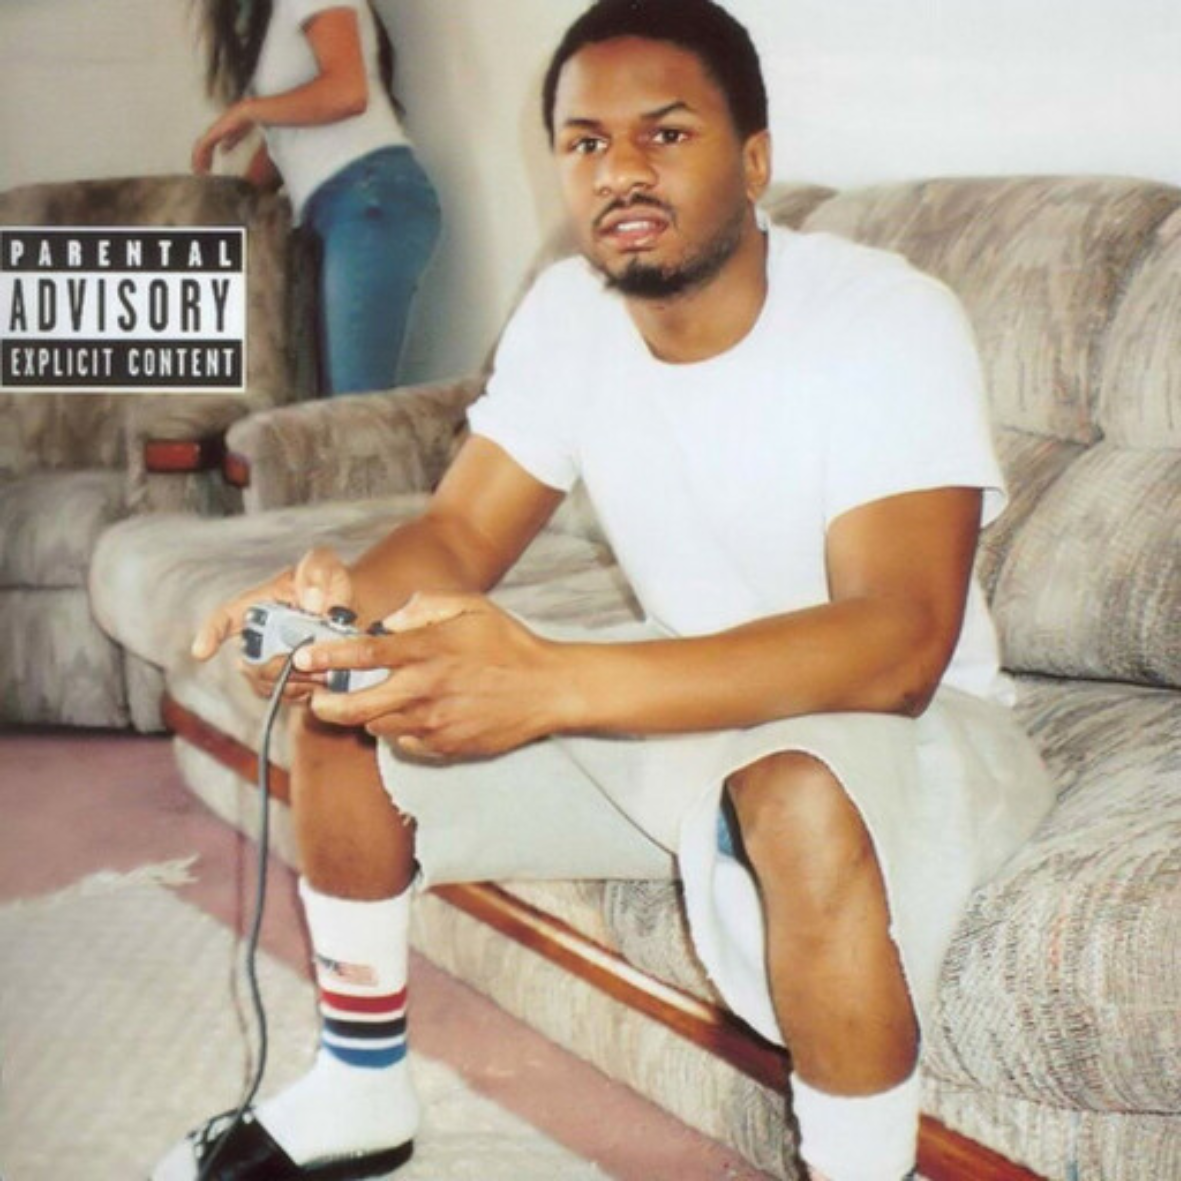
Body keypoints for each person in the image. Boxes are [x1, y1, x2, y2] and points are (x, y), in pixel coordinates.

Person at [156, 1, 1056, 1178]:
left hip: (905, 727)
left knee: (792, 789)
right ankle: (360, 1086)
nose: (619, 169)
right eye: (585, 142)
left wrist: (554, 682)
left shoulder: (884, 316)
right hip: (674, 711)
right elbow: (458, 530)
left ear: (753, 160)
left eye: (664, 134)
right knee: (358, 686)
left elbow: (896, 643)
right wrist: (332, 619)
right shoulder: (569, 312)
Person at [193, 0, 441, 395]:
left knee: (352, 405)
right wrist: (232, 203)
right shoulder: (264, 16)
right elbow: (289, 139)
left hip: (368, 194)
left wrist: (248, 111)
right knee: (331, 407)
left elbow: (347, 92)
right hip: (342, 205)